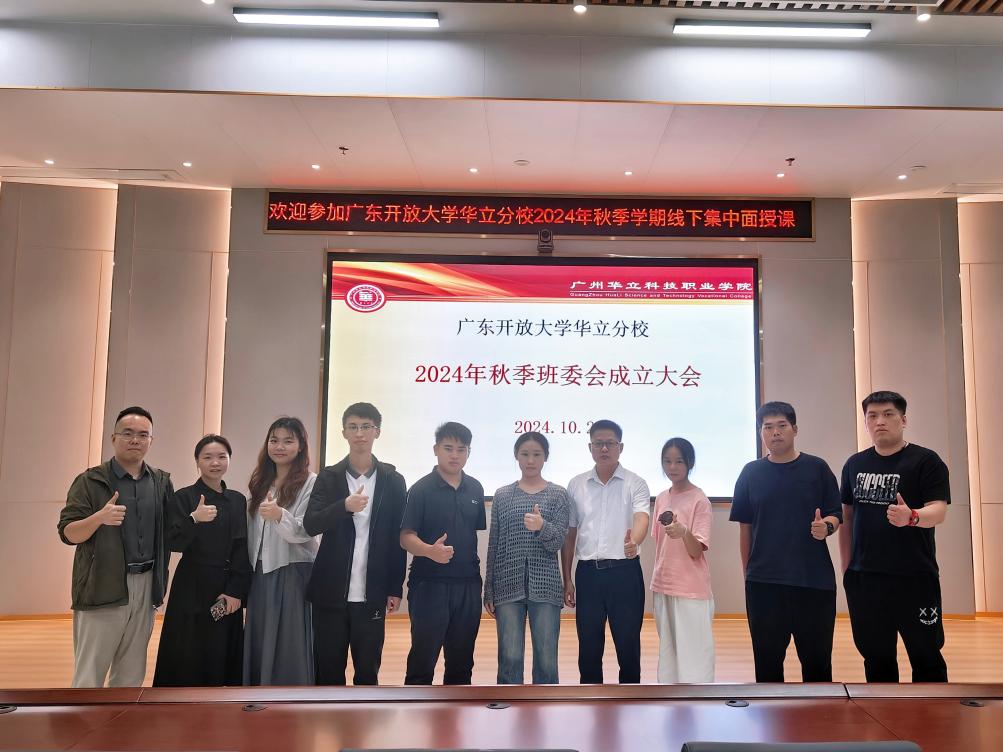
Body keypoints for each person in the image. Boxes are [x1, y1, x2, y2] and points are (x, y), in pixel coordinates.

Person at [57, 406, 173, 688]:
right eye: (128, 433)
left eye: (143, 435)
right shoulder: (90, 481)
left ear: (151, 440)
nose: (135, 440)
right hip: (102, 586)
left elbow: (171, 531)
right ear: (113, 438)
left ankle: (122, 719)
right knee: (89, 675)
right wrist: (98, 518)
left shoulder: (160, 482)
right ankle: (85, 719)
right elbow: (68, 533)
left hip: (146, 586)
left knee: (131, 675)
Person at [839, 390, 950, 683]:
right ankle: (883, 713)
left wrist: (912, 516)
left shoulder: (926, 461)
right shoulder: (854, 464)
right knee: (876, 658)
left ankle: (931, 712)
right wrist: (847, 567)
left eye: (888, 414)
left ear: (903, 420)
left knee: (926, 656)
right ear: (866, 422)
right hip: (866, 580)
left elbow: (938, 510)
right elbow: (848, 517)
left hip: (915, 578)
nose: (880, 421)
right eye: (872, 416)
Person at [729, 401, 842, 683]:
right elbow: (746, 529)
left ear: (795, 429)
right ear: (761, 433)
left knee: (817, 665)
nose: (775, 432)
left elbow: (836, 514)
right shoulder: (750, 473)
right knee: (767, 666)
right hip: (764, 585)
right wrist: (748, 575)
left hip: (813, 583)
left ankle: (818, 712)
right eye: (768, 427)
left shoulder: (817, 468)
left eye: (782, 425)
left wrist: (826, 527)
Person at [304, 403, 408, 685]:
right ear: (344, 433)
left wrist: (394, 587)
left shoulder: (393, 480)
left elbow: (397, 539)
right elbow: (311, 524)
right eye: (353, 427)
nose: (359, 433)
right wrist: (344, 506)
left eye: (366, 427)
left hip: (372, 590)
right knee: (328, 671)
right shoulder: (329, 477)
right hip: (330, 590)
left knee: (367, 671)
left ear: (377, 432)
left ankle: (364, 716)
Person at [153, 435, 251, 687]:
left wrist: (236, 591)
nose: (215, 463)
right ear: (197, 461)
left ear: (229, 460)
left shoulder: (237, 500)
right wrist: (193, 519)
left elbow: (242, 548)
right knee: (188, 648)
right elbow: (173, 542)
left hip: (225, 587)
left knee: (220, 647)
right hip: (192, 584)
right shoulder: (184, 497)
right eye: (207, 457)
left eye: (221, 457)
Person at [562, 419, 650, 684]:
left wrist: (634, 541)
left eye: (609, 443)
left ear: (620, 447)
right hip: (588, 574)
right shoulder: (576, 484)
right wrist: (567, 578)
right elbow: (570, 533)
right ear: (590, 447)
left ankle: (631, 699)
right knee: (588, 647)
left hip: (625, 572)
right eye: (598, 443)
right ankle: (591, 699)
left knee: (628, 644)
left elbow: (642, 516)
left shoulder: (635, 482)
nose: (604, 448)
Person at [400, 422, 485, 685]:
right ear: (436, 449)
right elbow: (405, 537)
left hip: (468, 585)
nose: (455, 455)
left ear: (469, 452)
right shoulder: (421, 489)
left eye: (461, 449)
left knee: (462, 664)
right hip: (430, 584)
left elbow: (472, 533)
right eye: (448, 448)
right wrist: (429, 551)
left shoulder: (475, 488)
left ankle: (456, 713)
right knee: (422, 661)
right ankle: (417, 710)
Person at [485, 432, 571, 684]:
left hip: (545, 587)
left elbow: (558, 541)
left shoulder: (558, 494)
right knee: (509, 658)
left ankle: (545, 706)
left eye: (536, 454)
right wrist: (489, 589)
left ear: (545, 457)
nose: (530, 460)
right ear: (516, 456)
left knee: (546, 659)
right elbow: (494, 544)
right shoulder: (502, 495)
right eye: (525, 454)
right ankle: (508, 705)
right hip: (507, 586)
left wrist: (542, 526)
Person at [243, 417, 319, 685]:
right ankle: (258, 691)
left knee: (289, 641)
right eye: (274, 440)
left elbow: (305, 530)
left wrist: (279, 515)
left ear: (300, 446)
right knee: (260, 635)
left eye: (288, 441)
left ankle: (290, 696)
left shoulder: (311, 482)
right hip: (260, 570)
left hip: (292, 569)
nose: (279, 446)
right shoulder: (260, 481)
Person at [650, 437, 715, 684]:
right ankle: (670, 699)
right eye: (667, 461)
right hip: (663, 584)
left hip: (690, 588)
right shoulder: (661, 498)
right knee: (668, 651)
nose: (672, 467)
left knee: (694, 655)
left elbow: (697, 551)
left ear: (690, 463)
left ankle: (698, 701)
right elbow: (660, 544)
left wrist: (684, 532)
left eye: (679, 461)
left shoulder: (700, 500)